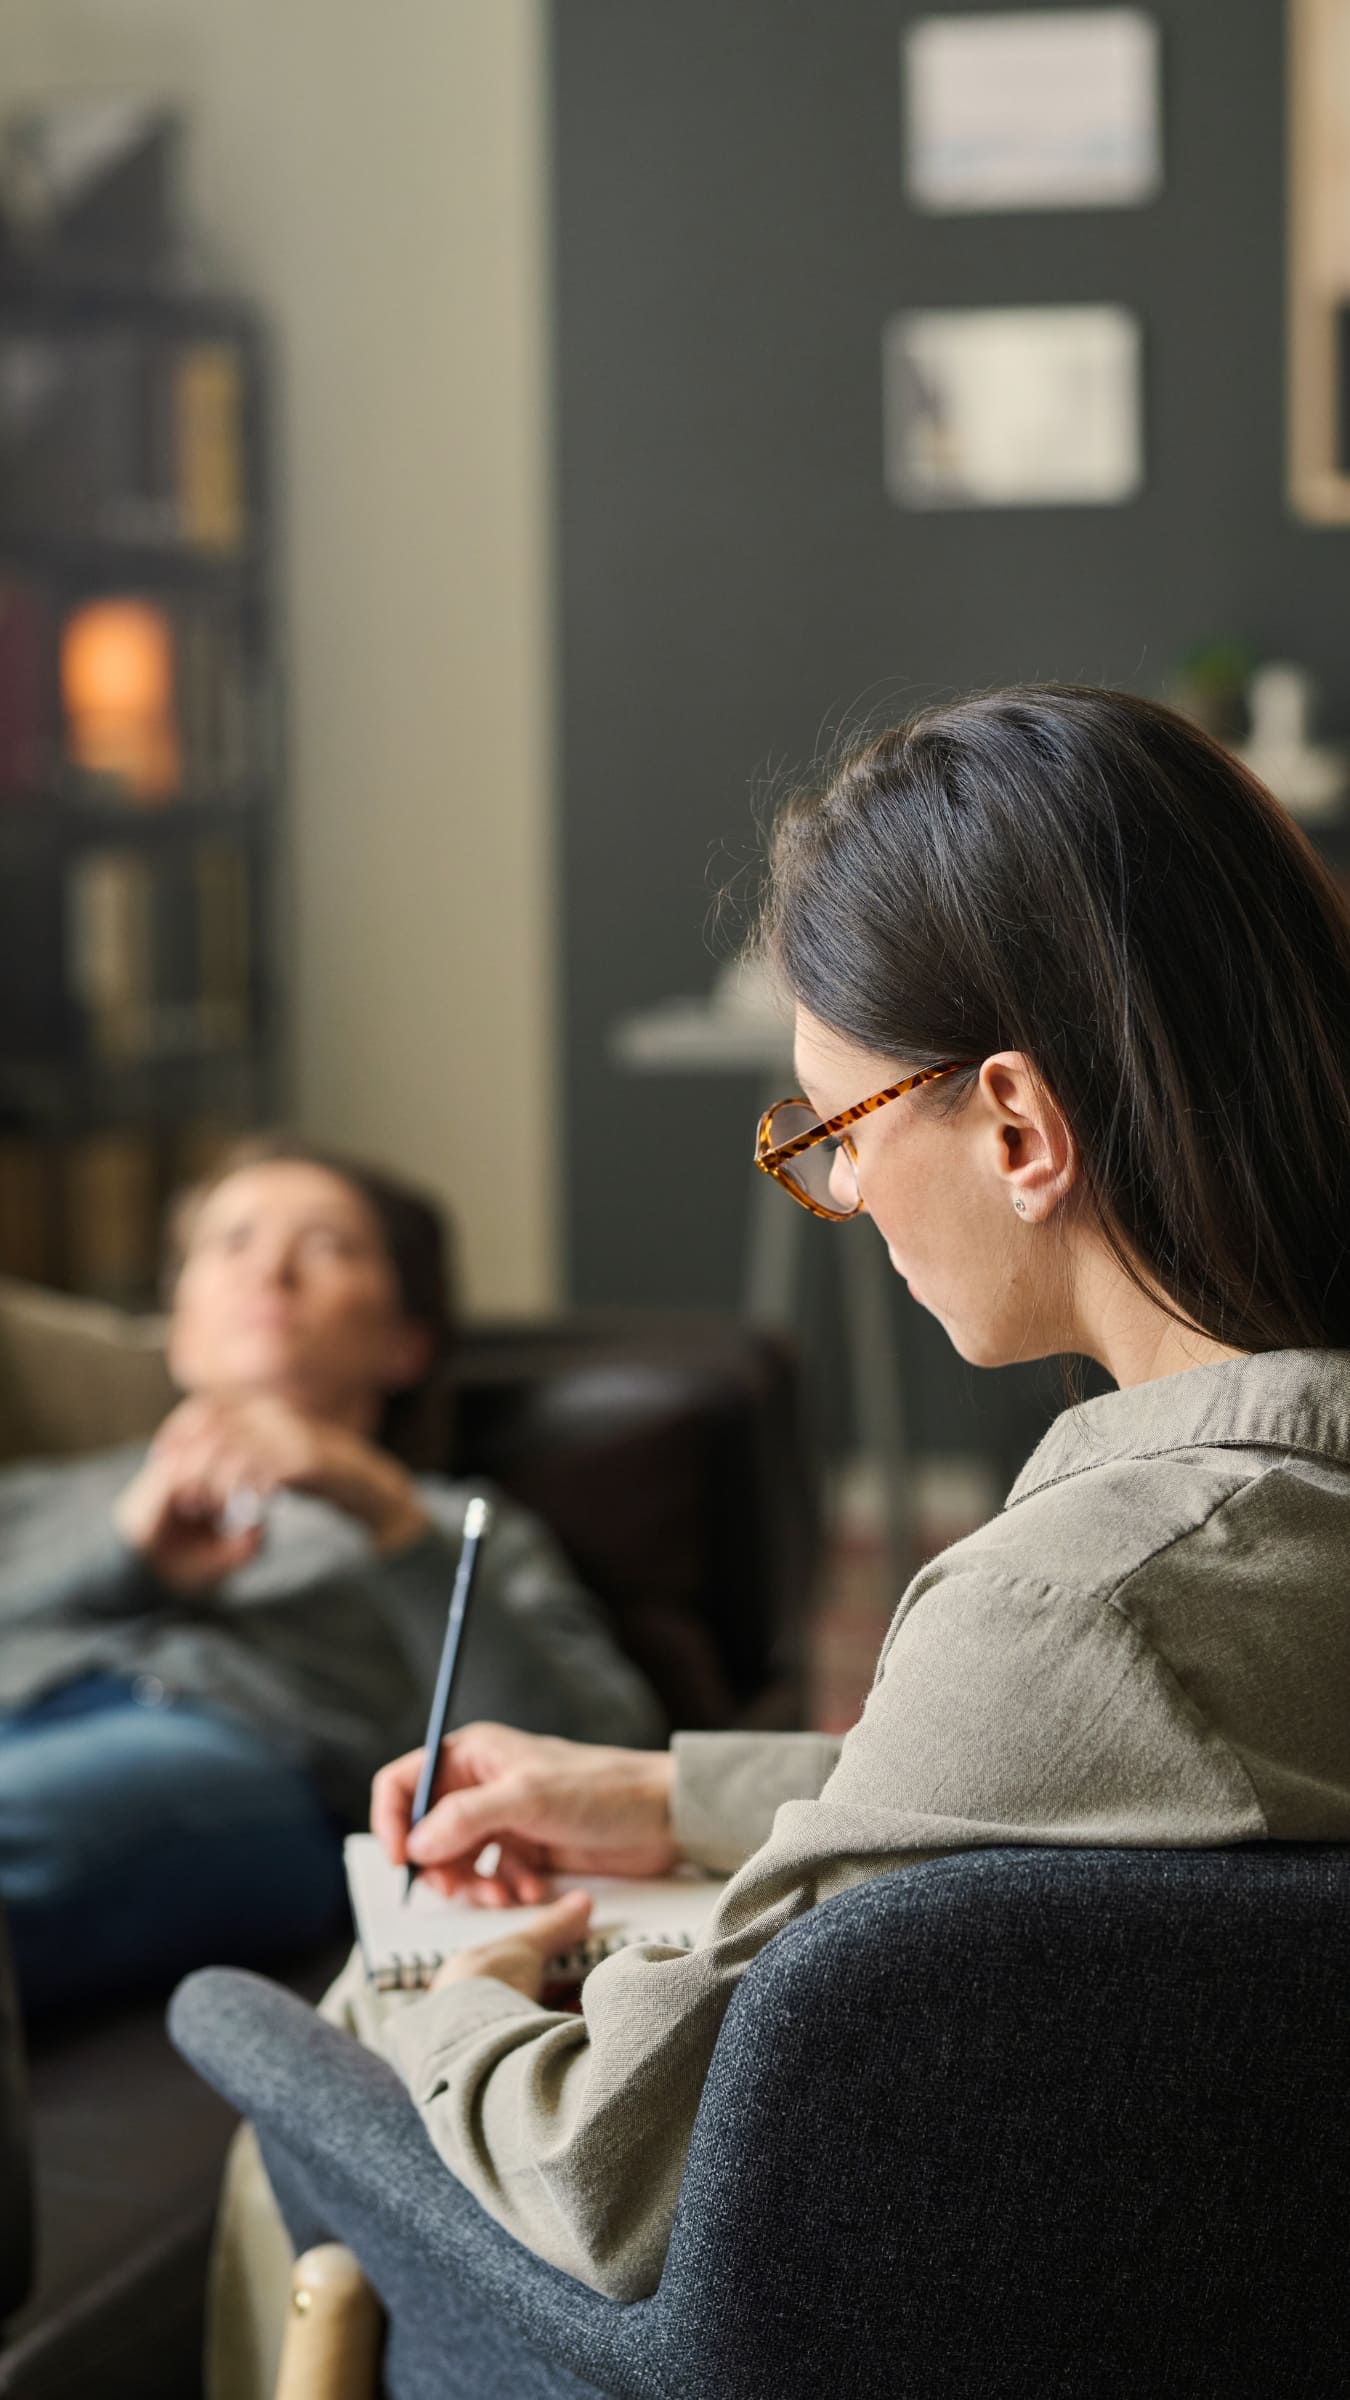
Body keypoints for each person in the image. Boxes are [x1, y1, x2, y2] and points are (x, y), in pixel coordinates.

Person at [220, 685, 1350, 2322]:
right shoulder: (1241, 1573)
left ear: (1022, 1125)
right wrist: (671, 1797)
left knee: (282, 2032)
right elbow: (1130, 1807)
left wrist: (452, 1996)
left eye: (837, 1127)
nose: (839, 1193)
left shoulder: (1079, 1604)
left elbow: (615, 2161)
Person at [0, 1135, 662, 2017]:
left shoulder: (451, 1519)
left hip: (237, 1759)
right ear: (177, 1320)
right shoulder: (64, 1496)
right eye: (231, 1242)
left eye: (326, 1247)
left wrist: (389, 1518)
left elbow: (599, 1748)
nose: (268, 1272)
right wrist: (125, 1561)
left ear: (405, 1343)